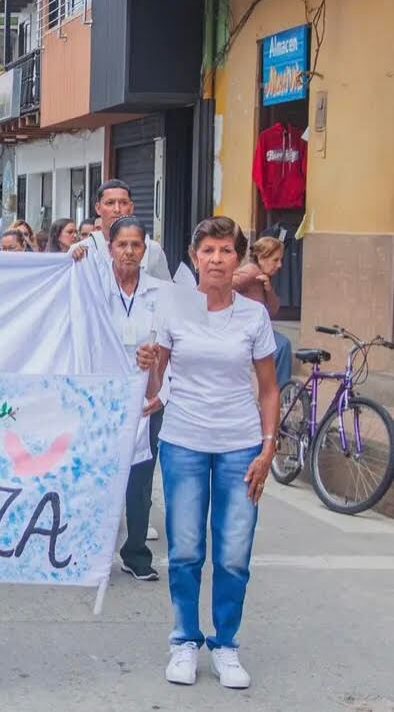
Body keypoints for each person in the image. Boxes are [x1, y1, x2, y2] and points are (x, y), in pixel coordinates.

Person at [135, 216, 279, 690]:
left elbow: (268, 389)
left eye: (226, 251)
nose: (216, 259)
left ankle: (226, 645)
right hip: (184, 441)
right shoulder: (174, 309)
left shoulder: (254, 316)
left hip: (240, 446)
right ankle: (184, 640)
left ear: (239, 259)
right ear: (195, 257)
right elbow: (159, 387)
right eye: (207, 251)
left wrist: (267, 446)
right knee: (186, 550)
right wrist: (151, 365)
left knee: (234, 553)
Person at [104, 216, 166, 583]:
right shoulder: (94, 288)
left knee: (140, 478)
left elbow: (174, 344)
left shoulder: (160, 293)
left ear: (145, 250)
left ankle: (136, 552)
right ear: (110, 248)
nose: (129, 251)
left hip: (147, 393)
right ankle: (91, 549)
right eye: (122, 244)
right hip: (103, 394)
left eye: (136, 245)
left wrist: (158, 377)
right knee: (99, 473)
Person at [72, 180, 171, 283]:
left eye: (123, 203)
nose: (117, 209)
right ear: (98, 208)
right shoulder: (81, 251)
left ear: (131, 208)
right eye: (110, 203)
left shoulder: (152, 249)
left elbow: (166, 292)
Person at [233, 237, 292, 389]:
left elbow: (273, 310)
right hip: (245, 330)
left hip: (257, 329)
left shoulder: (262, 277)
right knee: (281, 346)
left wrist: (268, 289)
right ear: (261, 257)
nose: (279, 265)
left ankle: (277, 393)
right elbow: (225, 285)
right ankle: (277, 394)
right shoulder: (251, 271)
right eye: (275, 260)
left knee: (282, 345)